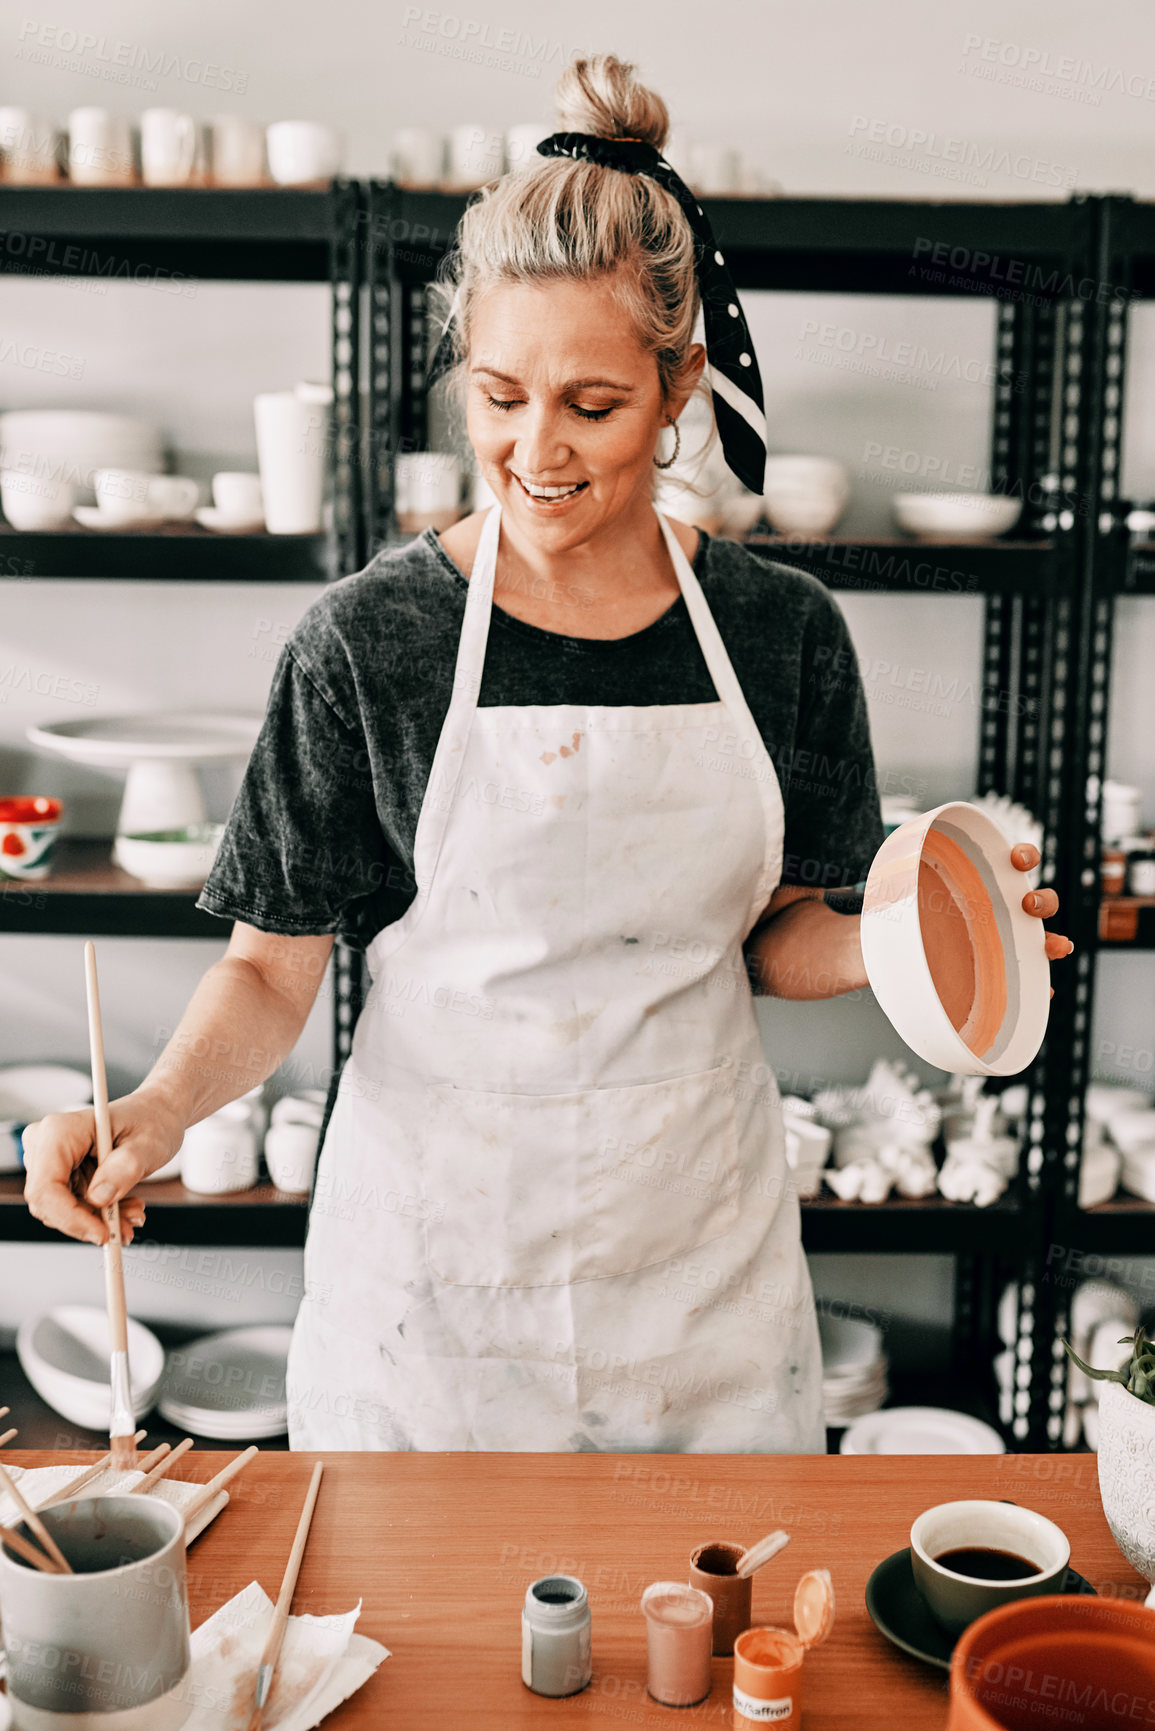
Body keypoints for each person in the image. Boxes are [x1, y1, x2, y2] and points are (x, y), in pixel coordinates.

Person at [23, 55, 1072, 1452]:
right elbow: (273, 967)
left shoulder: (781, 633)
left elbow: (777, 937)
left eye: (593, 406)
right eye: (500, 396)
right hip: (433, 1297)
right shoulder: (366, 643)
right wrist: (154, 1109)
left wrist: (925, 931)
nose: (535, 453)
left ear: (681, 385)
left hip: (698, 1280)